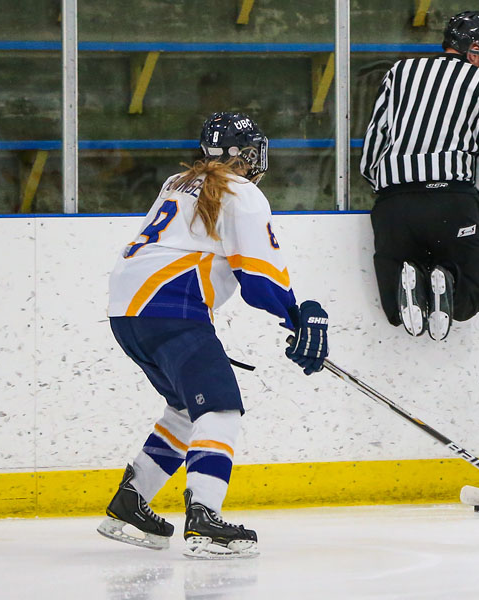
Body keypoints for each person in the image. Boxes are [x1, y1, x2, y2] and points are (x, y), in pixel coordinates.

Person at [97, 112, 329, 558]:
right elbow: (259, 283)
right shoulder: (243, 193)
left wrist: (292, 318)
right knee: (221, 407)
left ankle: (131, 501)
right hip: (170, 310)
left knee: (186, 409)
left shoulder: (176, 182)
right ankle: (204, 518)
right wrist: (299, 316)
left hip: (127, 312)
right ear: (247, 155)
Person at [360, 10, 479, 341]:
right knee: (477, 291)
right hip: (451, 202)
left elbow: (375, 142)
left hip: (394, 206)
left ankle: (413, 273)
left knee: (396, 310)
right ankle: (449, 284)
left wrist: (383, 187)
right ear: (474, 49)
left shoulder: (399, 72)